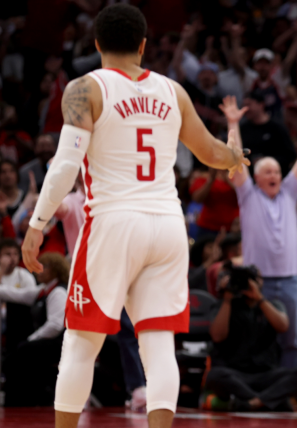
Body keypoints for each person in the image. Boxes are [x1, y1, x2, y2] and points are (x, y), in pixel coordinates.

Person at [20, 5, 249, 428]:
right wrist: (236, 156)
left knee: (80, 342)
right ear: (144, 45)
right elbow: (212, 152)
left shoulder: (84, 88)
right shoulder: (173, 91)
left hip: (114, 220)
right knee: (159, 344)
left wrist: (37, 224)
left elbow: (65, 166)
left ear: (96, 44)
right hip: (167, 225)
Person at [223, 94, 297, 368]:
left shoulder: (289, 192)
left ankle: (284, 390)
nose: (273, 176)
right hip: (256, 280)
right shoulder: (248, 195)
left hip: (289, 280)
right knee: (255, 337)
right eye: (267, 172)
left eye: (276, 171)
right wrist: (233, 124)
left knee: (291, 340)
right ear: (256, 177)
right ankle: (257, 383)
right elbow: (235, 161)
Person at [205, 263, 297, 411]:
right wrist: (227, 298)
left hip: (266, 374)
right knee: (215, 375)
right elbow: (217, 336)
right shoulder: (223, 305)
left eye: (253, 278)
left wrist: (260, 299)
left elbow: (283, 326)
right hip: (236, 374)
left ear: (261, 281)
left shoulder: (272, 304)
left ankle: (253, 402)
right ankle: (269, 400)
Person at [0, 252, 68, 406]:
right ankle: (20, 400)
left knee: (19, 354)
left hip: (58, 343)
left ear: (56, 269)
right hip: (48, 341)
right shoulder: (43, 290)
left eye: (44, 266)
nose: (39, 269)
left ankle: (25, 400)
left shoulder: (58, 292)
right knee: (15, 354)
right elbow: (16, 294)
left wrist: (32, 339)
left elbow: (56, 325)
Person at [238, 90, 297, 175]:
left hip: (276, 178)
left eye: (249, 105)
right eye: (244, 105)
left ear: (261, 104)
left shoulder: (277, 128)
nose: (245, 109)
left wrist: (266, 161)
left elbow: (290, 155)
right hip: (251, 180)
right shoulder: (242, 129)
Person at [189, 168, 239, 238]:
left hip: (233, 228)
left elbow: (245, 196)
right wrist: (211, 180)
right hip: (207, 227)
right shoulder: (203, 178)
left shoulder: (237, 176)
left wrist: (228, 180)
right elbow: (196, 199)